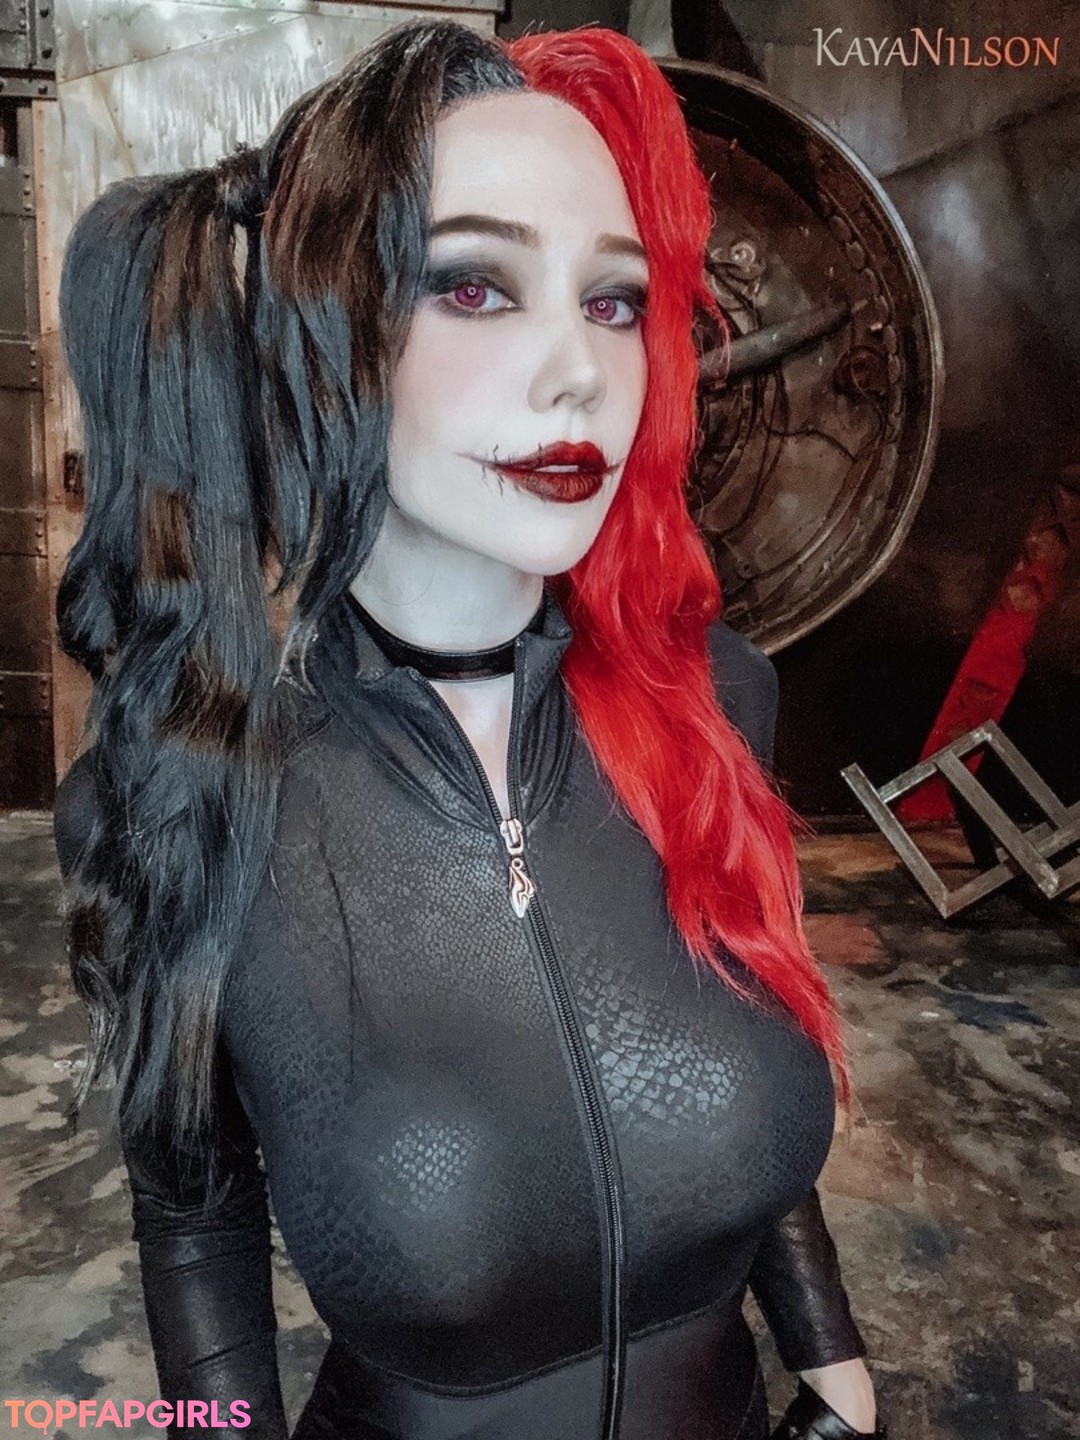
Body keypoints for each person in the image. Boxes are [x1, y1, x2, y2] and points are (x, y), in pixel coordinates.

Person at [52, 19, 886, 1440]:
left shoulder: (715, 703)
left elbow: (741, 1063)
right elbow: (194, 1215)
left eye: (613, 301)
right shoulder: (181, 789)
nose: (580, 371)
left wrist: (834, 1359)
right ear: (318, 331)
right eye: (475, 285)